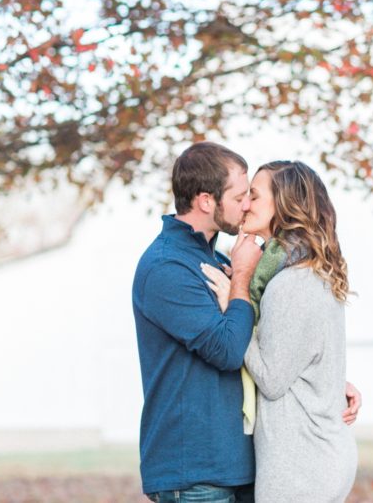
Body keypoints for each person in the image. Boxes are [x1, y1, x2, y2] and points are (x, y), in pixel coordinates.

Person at [133, 143, 360, 503]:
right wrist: (239, 278)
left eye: (252, 195)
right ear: (207, 201)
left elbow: (275, 344)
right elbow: (227, 349)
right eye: (241, 195)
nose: (246, 205)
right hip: (195, 470)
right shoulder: (169, 268)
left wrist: (324, 380)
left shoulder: (228, 264)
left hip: (241, 464)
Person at [202, 161, 357, 503]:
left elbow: (271, 380)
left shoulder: (292, 282)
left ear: (284, 205)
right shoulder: (296, 273)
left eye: (254, 196)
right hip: (311, 456)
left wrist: (235, 300)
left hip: (302, 465)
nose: (244, 204)